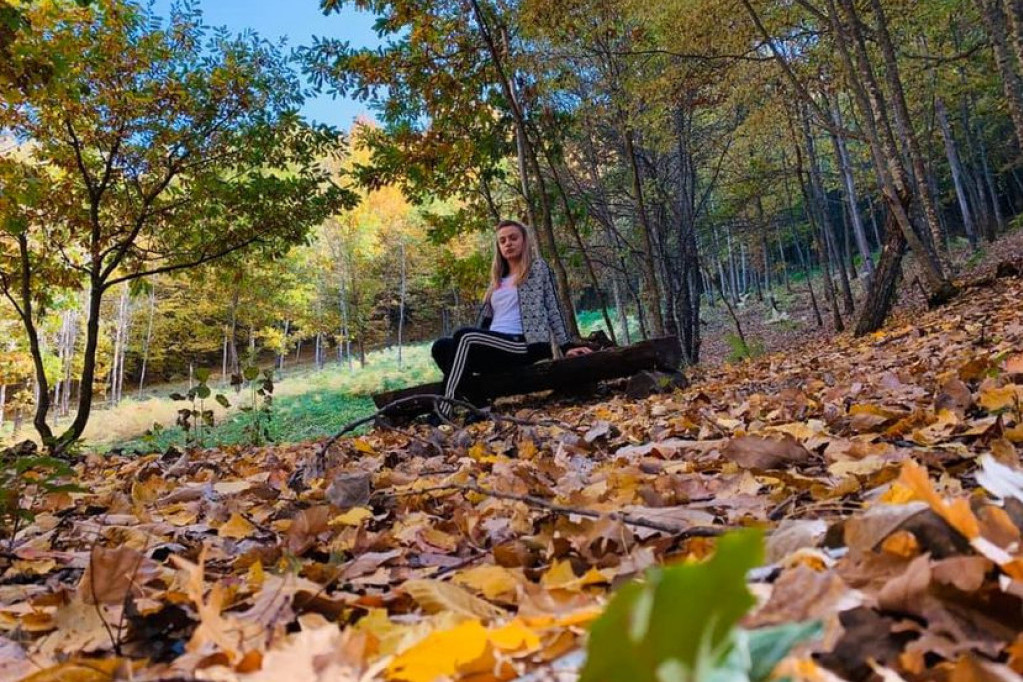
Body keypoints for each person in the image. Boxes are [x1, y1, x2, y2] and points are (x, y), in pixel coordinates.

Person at [431, 219, 592, 419]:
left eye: (513, 238)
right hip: (497, 345)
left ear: (524, 241)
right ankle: (480, 405)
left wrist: (566, 346)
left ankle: (442, 411)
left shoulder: (537, 269)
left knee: (464, 335)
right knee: (441, 347)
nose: (508, 243)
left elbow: (553, 308)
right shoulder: (497, 280)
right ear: (499, 247)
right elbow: (486, 322)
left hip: (524, 344)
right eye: (503, 240)